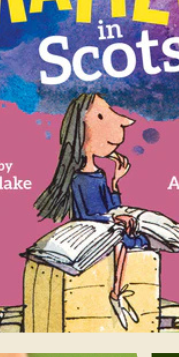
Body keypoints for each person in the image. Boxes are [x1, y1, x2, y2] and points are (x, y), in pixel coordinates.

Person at [33, 92, 148, 328]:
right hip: (90, 231)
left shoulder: (100, 174)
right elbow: (85, 214)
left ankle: (119, 293)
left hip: (106, 227)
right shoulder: (77, 178)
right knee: (121, 239)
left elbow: (112, 208)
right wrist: (112, 220)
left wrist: (116, 182)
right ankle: (116, 294)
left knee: (135, 235)